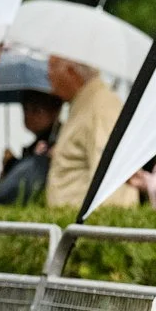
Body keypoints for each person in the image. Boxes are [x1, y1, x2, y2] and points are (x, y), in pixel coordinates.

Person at [43, 56, 136, 213]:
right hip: (71, 220)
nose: (47, 74)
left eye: (52, 66)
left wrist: (108, 225)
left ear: (71, 72)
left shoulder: (101, 106)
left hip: (88, 224)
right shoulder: (85, 103)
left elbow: (112, 182)